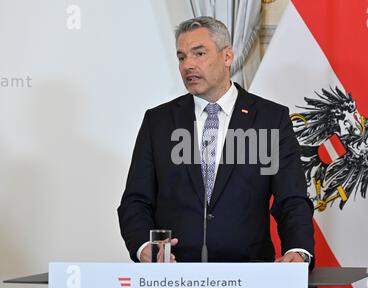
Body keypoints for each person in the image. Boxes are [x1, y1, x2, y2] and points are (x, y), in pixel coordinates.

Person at [117, 16, 314, 268]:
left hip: (249, 275)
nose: (188, 64)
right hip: (174, 275)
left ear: (227, 57)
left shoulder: (270, 119)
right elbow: (136, 200)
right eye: (181, 57)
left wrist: (298, 250)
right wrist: (144, 246)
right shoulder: (158, 121)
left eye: (198, 53)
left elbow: (292, 198)